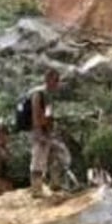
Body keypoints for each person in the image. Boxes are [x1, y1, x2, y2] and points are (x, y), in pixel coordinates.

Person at [26, 69, 72, 197]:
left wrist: (52, 131)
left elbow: (48, 114)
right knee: (38, 159)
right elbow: (36, 116)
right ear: (48, 79)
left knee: (58, 154)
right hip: (38, 132)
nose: (57, 83)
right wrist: (39, 133)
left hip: (47, 132)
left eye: (58, 80)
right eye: (55, 80)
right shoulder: (38, 94)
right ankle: (36, 189)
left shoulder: (49, 95)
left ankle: (55, 183)